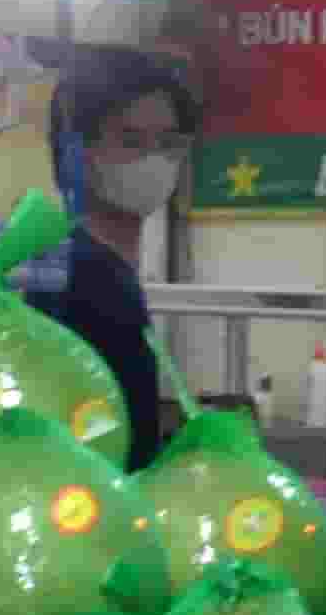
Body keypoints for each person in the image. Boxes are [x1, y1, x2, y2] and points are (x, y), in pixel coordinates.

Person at [23, 48, 200, 460]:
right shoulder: (88, 281)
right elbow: (107, 440)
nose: (152, 158)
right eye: (131, 140)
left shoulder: (87, 266)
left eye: (168, 142)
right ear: (75, 153)